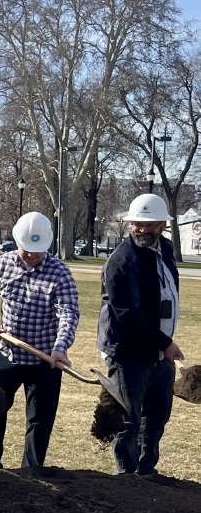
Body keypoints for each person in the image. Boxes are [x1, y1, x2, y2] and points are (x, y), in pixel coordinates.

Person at [0, 211, 79, 469]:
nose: (30, 256)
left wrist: (60, 347)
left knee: (40, 418)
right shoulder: (3, 264)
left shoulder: (59, 273)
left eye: (36, 251)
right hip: (7, 354)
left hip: (44, 360)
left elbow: (68, 313)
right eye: (25, 250)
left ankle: (32, 468)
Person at [98, 193, 185, 477]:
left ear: (162, 224)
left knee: (157, 417)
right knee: (129, 421)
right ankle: (126, 479)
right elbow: (127, 314)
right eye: (138, 224)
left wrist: (164, 346)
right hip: (128, 353)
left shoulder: (166, 250)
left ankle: (146, 473)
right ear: (129, 223)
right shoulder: (121, 261)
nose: (143, 229)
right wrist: (166, 343)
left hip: (160, 354)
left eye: (150, 224)